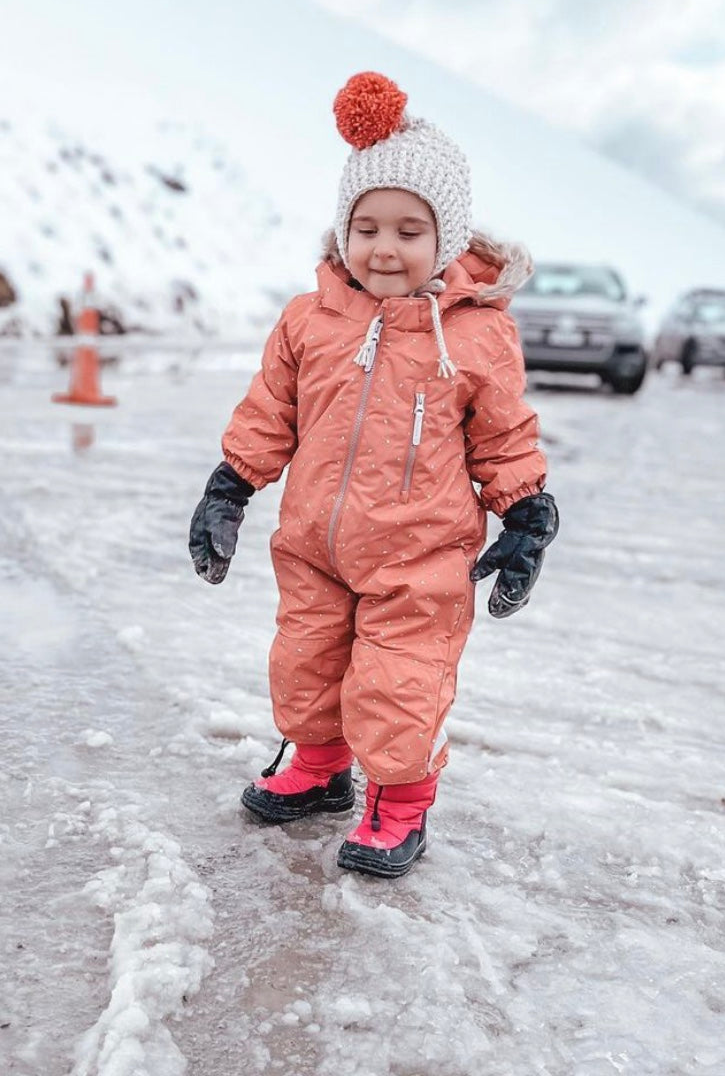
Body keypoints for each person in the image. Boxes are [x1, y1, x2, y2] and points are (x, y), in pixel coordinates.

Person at [188, 71, 558, 879]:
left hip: (419, 556)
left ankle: (401, 799)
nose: (383, 248)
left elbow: (502, 437)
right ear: (342, 230)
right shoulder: (308, 318)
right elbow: (269, 414)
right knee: (306, 662)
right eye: (367, 227)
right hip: (316, 541)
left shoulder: (477, 336)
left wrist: (527, 513)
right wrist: (230, 486)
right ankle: (320, 767)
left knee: (399, 683)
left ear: (447, 239)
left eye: (408, 230)